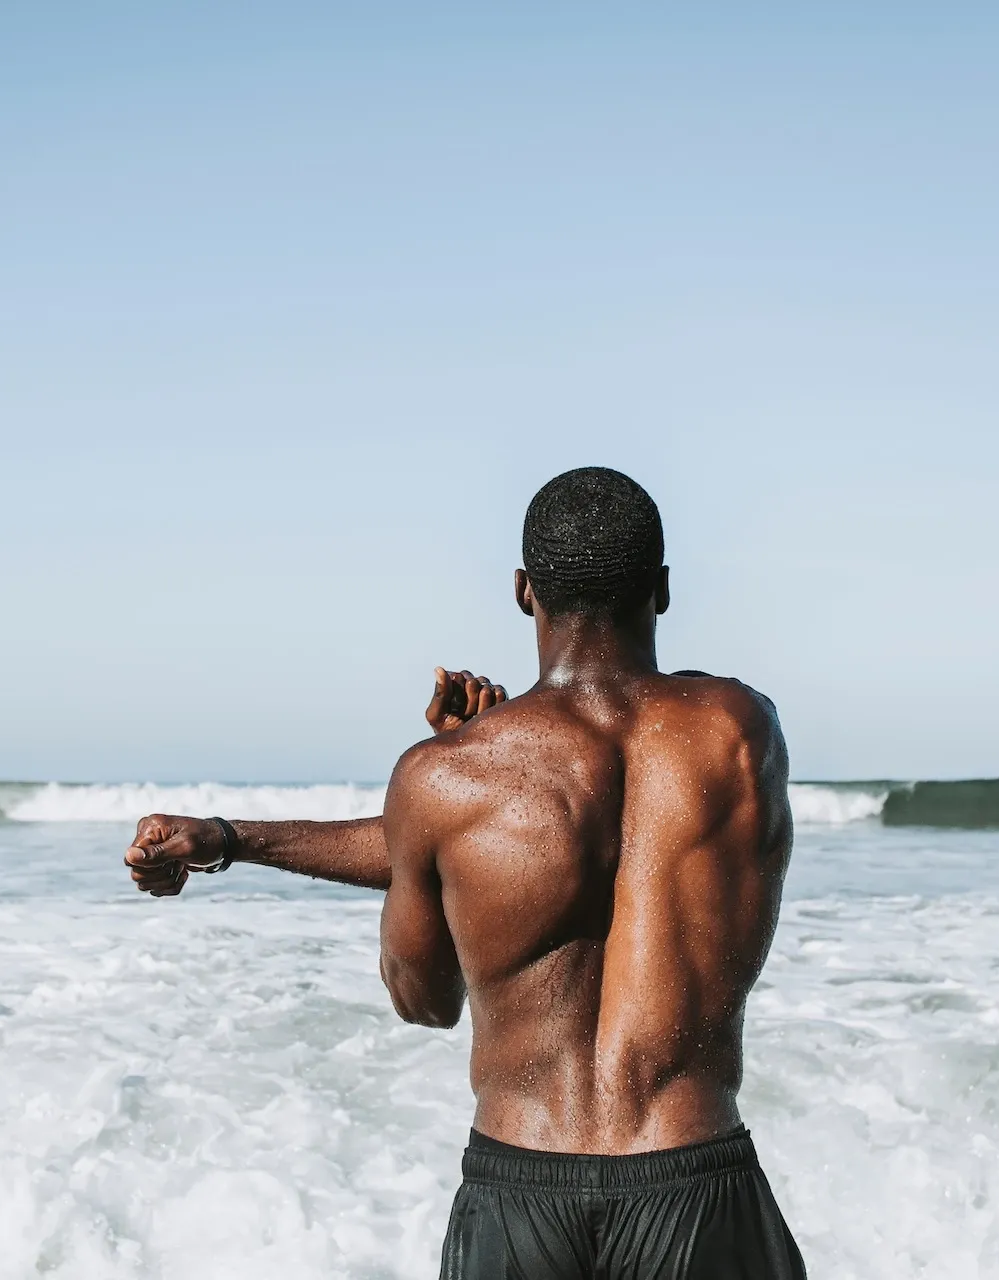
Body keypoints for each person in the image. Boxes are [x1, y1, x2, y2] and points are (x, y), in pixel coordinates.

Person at [125, 467, 806, 1279]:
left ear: (524, 591)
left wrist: (460, 778)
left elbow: (425, 1002)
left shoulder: (447, 780)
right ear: (661, 590)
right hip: (694, 1183)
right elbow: (618, 802)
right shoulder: (740, 733)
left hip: (520, 1191)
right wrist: (231, 838)